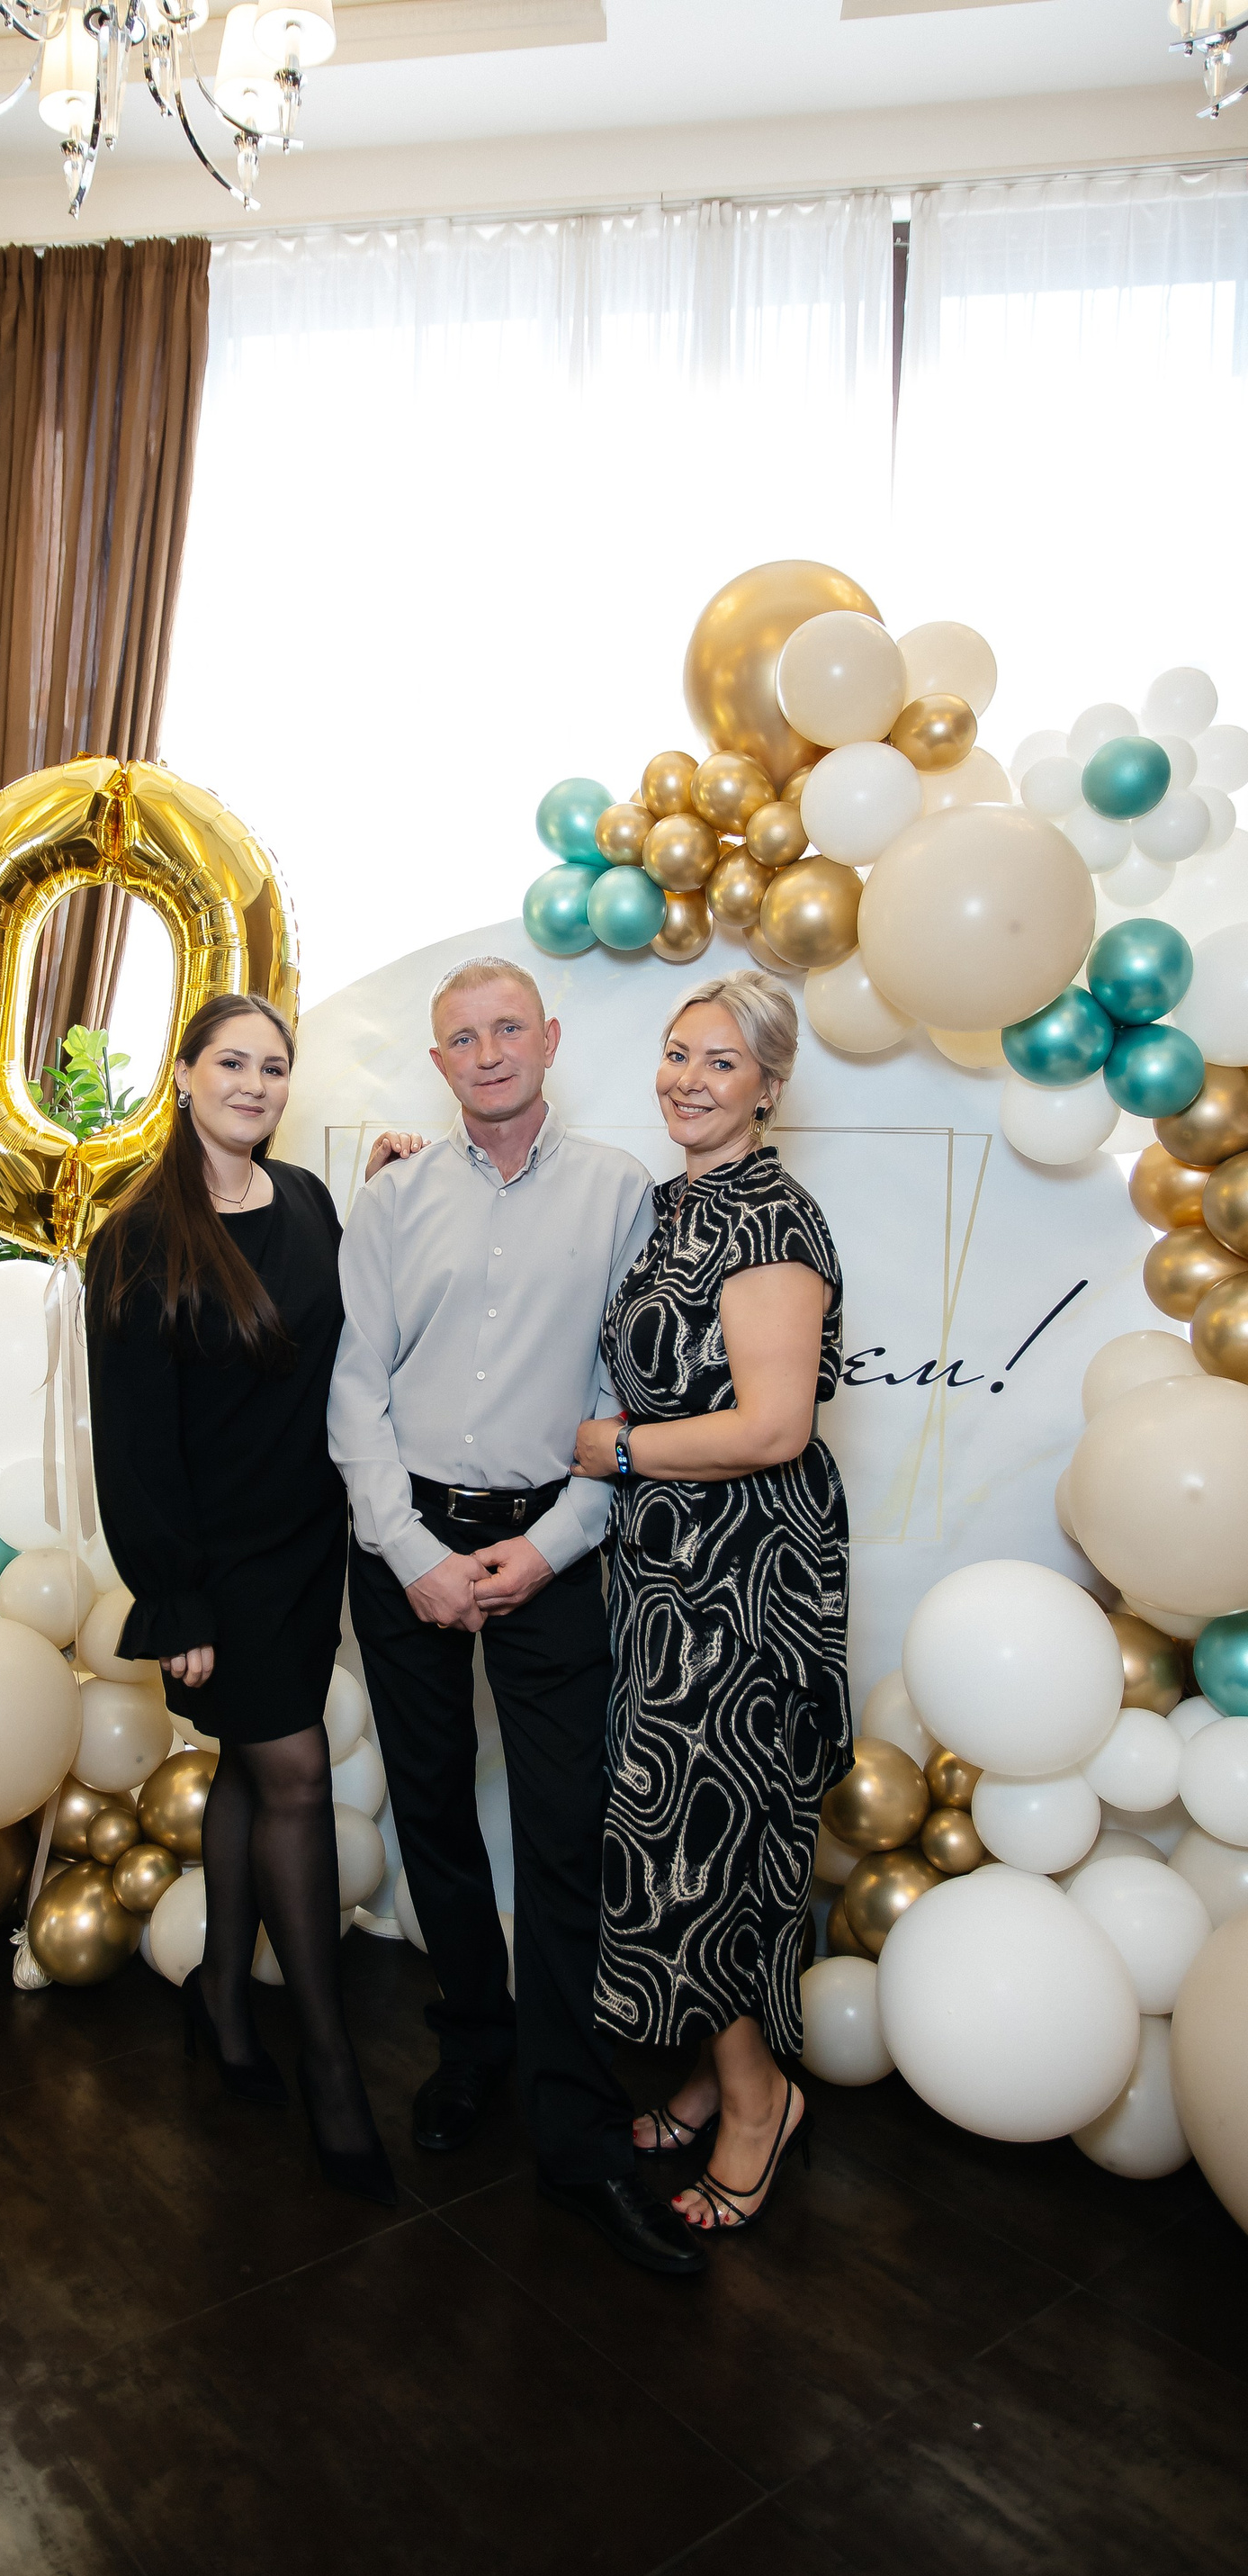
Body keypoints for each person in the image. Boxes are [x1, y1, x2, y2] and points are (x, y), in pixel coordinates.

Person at [329, 957, 705, 2277]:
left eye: (507, 1030)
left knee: (563, 1830)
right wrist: (411, 1552)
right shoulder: (391, 1200)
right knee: (433, 1807)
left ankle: (576, 2127)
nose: (486, 1053)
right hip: (407, 1542)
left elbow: (629, 1393)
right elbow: (356, 1389)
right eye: (461, 1038)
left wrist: (551, 1547)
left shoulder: (621, 1192)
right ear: (439, 1063)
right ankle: (474, 2042)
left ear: (549, 1040)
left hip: (556, 1536)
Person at [87, 991, 394, 2207]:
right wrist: (179, 1602)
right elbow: (134, 1446)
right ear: (184, 1075)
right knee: (298, 1777)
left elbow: (333, 1331)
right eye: (232, 1062)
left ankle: (221, 1990)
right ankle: (329, 2064)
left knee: (248, 1771)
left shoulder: (307, 1200)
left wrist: (381, 1197)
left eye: (273, 1066)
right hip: (220, 1564)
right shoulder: (137, 1239)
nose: (255, 1084)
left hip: (308, 1539)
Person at [573, 968, 851, 2235]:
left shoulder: (770, 1218)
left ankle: (758, 2105)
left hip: (743, 1582)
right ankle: (710, 2074)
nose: (689, 1079)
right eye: (678, 1053)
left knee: (709, 1848)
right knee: (680, 1830)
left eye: (722, 1062)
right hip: (669, 1574)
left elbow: (775, 1426)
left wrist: (618, 1450)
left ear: (769, 1085)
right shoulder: (677, 1202)